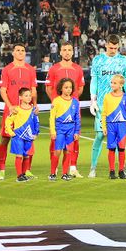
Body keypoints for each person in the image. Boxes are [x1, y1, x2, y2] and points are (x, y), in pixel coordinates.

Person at [89, 37, 126, 178]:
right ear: (106, 45)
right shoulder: (98, 60)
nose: (113, 50)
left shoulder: (123, 60)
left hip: (119, 105)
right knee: (100, 135)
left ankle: (121, 169)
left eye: (115, 48)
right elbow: (94, 79)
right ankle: (93, 167)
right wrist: (93, 99)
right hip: (103, 104)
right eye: (110, 48)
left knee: (119, 138)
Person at [0, 43, 37, 181]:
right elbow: (3, 90)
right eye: (18, 50)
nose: (20, 52)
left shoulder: (30, 70)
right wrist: (9, 106)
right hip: (12, 110)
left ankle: (27, 170)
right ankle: (1, 170)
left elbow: (33, 90)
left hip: (27, 112)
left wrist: (35, 105)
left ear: (25, 53)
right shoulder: (7, 69)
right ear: (13, 53)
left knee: (29, 138)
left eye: (23, 50)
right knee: (5, 138)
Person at [47, 43, 85, 176]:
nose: (67, 52)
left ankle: (73, 168)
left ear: (73, 52)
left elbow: (80, 88)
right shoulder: (54, 69)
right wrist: (58, 103)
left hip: (73, 109)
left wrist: (71, 103)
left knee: (75, 138)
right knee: (55, 139)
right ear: (60, 52)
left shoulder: (78, 69)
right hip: (59, 111)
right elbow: (49, 88)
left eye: (69, 50)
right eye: (64, 50)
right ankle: (54, 169)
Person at [100, 74, 126, 179]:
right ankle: (111, 171)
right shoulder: (107, 97)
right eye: (111, 82)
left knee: (121, 148)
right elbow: (104, 113)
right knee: (111, 148)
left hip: (122, 125)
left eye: (115, 83)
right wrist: (104, 127)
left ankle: (121, 170)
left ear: (121, 85)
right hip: (111, 125)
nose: (112, 85)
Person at [47, 78, 80, 181]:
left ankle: (65, 173)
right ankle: (53, 173)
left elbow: (77, 118)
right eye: (66, 87)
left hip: (71, 130)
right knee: (57, 151)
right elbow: (52, 117)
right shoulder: (56, 101)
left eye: (70, 87)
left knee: (68, 152)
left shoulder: (75, 102)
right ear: (61, 88)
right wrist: (53, 131)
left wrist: (76, 131)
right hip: (60, 130)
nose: (68, 89)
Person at [5, 87, 39, 182]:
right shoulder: (16, 109)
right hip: (18, 137)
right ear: (20, 97)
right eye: (26, 95)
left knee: (26, 156)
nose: (29, 97)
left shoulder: (33, 110)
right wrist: (11, 132)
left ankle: (24, 174)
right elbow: (8, 120)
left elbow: (36, 122)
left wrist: (36, 133)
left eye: (30, 95)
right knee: (19, 156)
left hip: (28, 137)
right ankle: (19, 176)